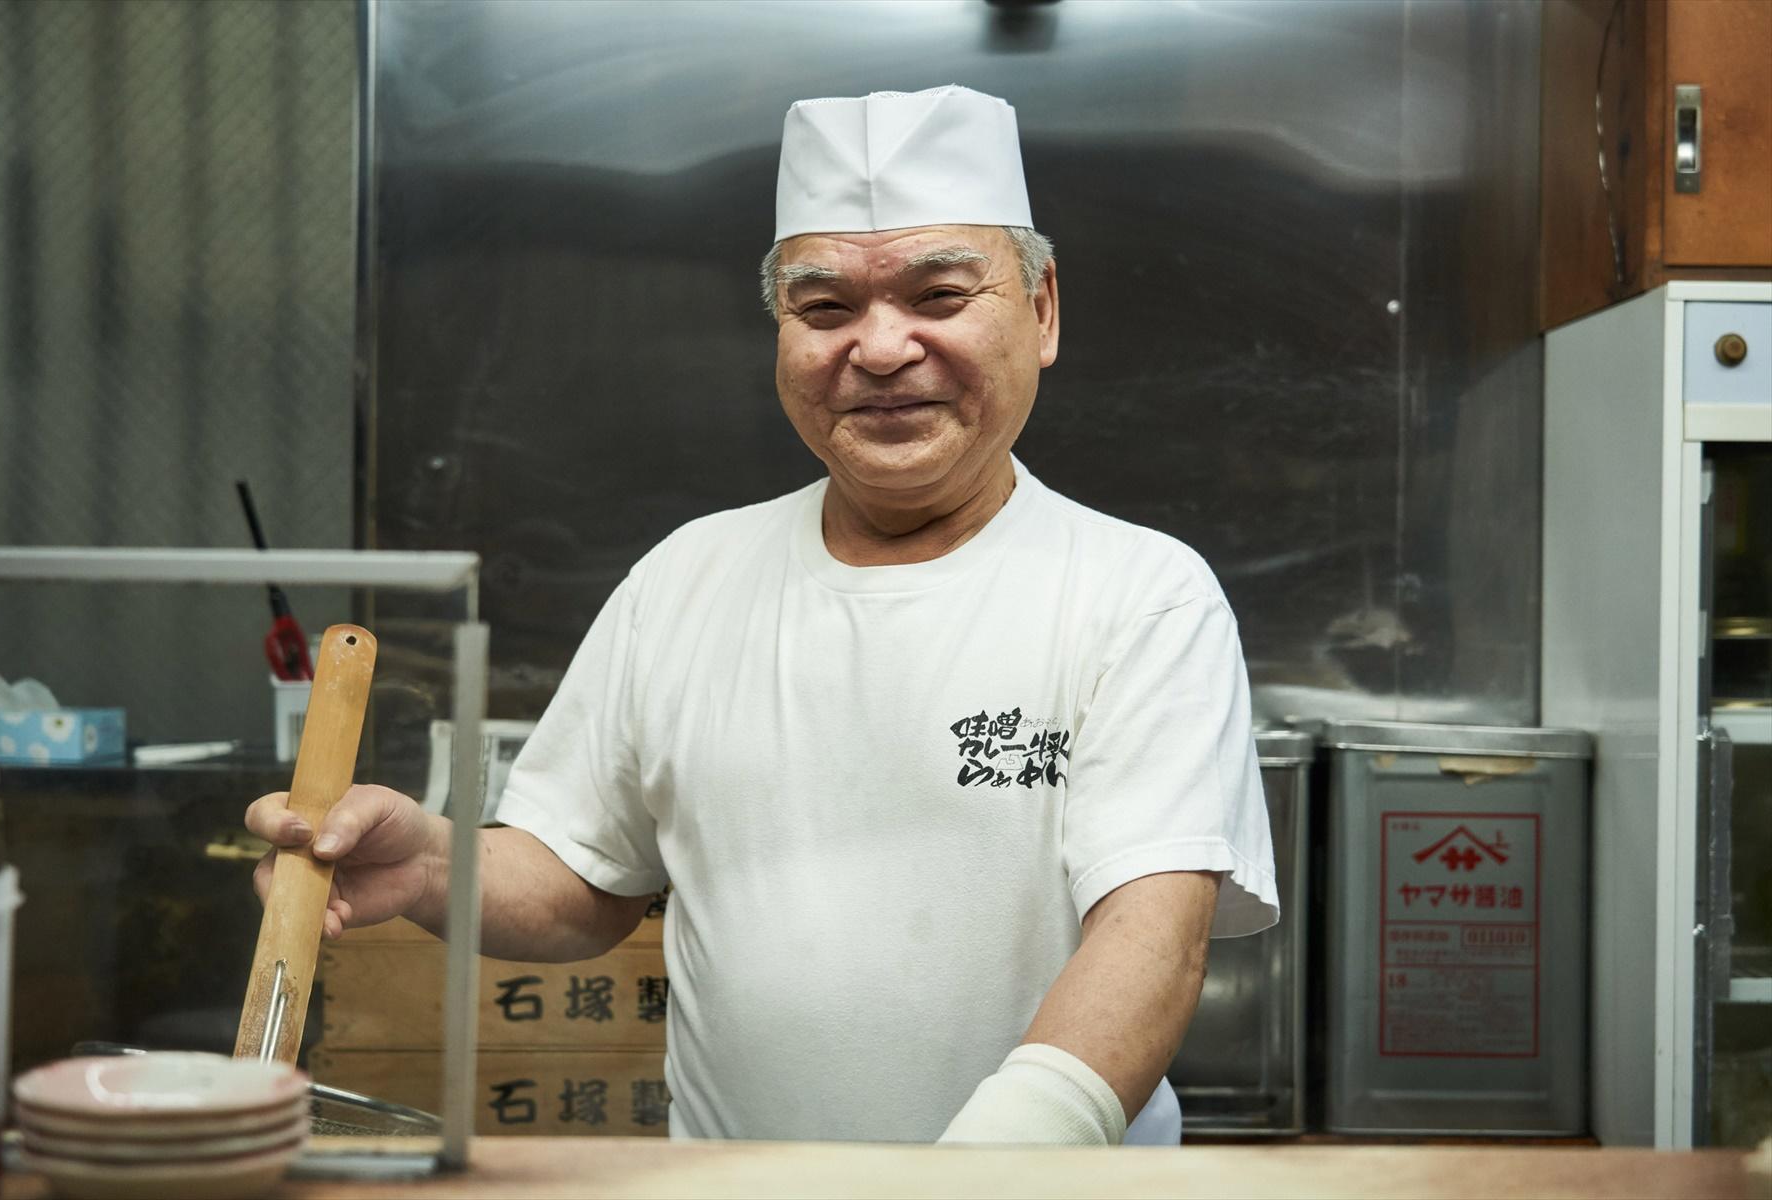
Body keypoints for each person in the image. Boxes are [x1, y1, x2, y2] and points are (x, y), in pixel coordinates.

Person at [246, 85, 1276, 1146]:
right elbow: (580, 877)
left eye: (938, 295)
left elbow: (1154, 935)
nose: (879, 350)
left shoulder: (1139, 592)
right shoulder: (686, 579)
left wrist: (985, 1168)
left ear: (1043, 308)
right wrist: (426, 862)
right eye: (824, 309)